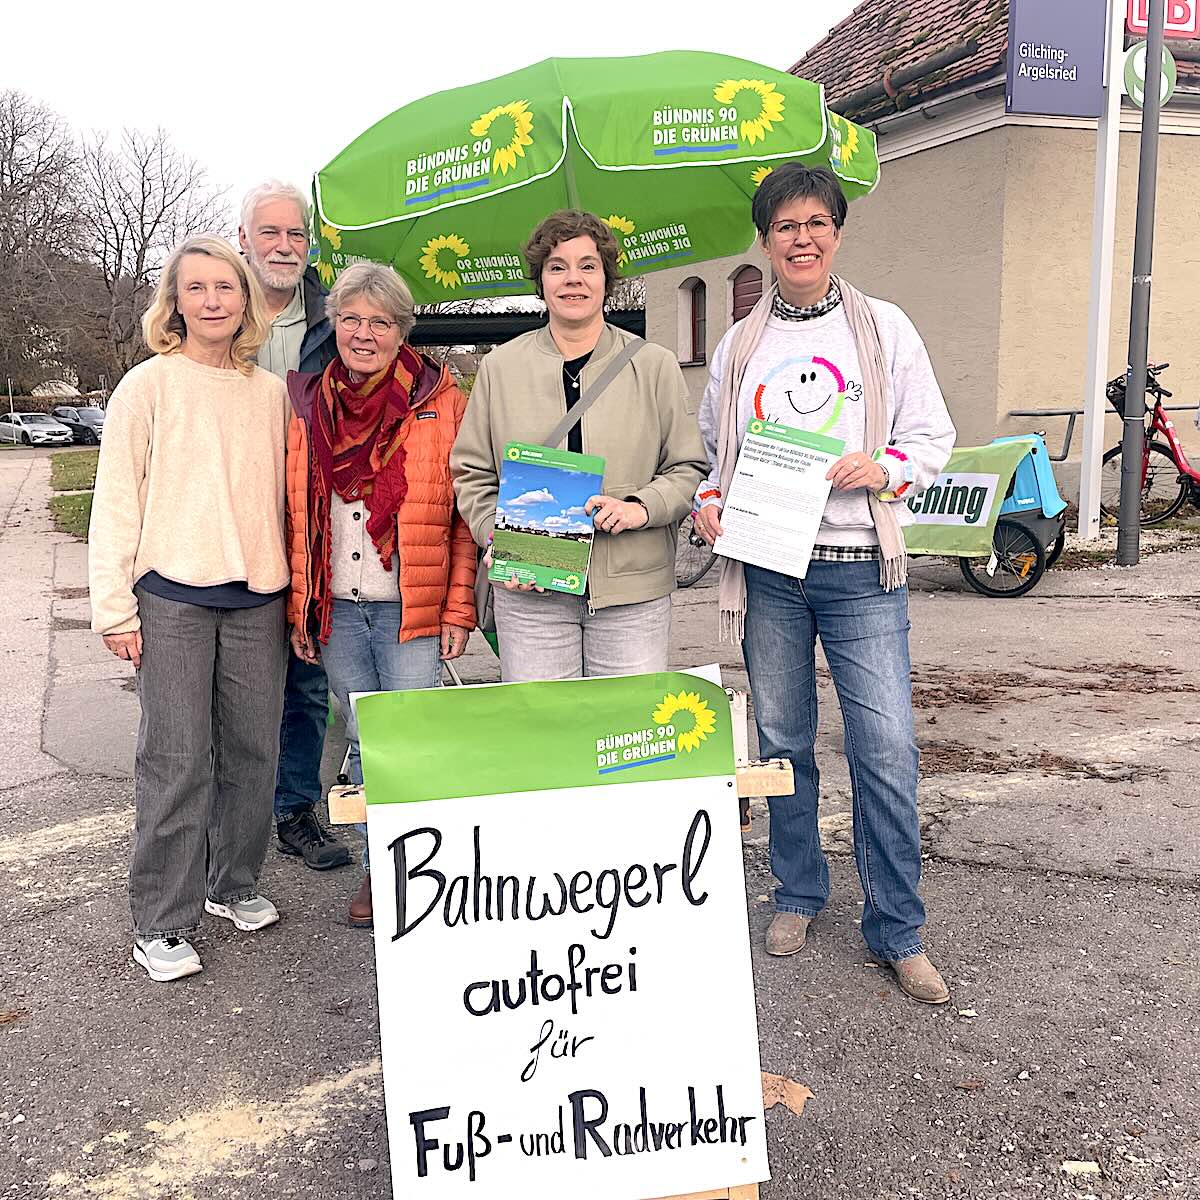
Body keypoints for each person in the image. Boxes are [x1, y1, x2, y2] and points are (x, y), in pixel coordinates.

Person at [694, 164, 957, 1005]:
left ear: (837, 232)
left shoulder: (883, 329)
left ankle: (898, 929)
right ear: (766, 242)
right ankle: (799, 894)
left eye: (815, 223)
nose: (800, 239)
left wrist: (883, 468)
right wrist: (708, 501)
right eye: (784, 227)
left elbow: (930, 434)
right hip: (769, 570)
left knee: (885, 751)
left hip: (860, 571)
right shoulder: (741, 344)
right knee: (782, 744)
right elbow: (715, 455)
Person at [89, 236, 289, 982]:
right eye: (196, 288)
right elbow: (116, 500)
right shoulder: (148, 386)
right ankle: (161, 921)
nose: (213, 300)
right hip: (171, 597)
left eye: (226, 288)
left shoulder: (269, 395)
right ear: (174, 303)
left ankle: (231, 883)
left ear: (245, 300)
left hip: (256, 598)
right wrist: (114, 609)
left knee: (252, 754)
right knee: (174, 760)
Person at [286, 262, 475, 928]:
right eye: (352, 319)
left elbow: (460, 516)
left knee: (409, 738)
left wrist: (458, 607)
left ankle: (410, 871)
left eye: (381, 321)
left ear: (402, 330)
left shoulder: (441, 400)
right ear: (334, 323)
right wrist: (302, 604)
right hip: (338, 604)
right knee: (366, 735)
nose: (364, 333)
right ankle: (381, 869)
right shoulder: (307, 403)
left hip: (409, 603)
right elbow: (295, 512)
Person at [451, 210, 706, 682]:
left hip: (631, 588)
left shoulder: (655, 365)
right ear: (541, 280)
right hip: (530, 590)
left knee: (624, 738)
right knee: (546, 738)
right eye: (557, 266)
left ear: (607, 278)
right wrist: (496, 535)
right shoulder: (500, 368)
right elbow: (472, 472)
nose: (573, 279)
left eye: (588, 265)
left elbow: (688, 466)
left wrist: (640, 507)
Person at [238, 181, 347, 872]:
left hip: (313, 517)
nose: (284, 246)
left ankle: (295, 810)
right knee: (240, 680)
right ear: (243, 236)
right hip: (236, 517)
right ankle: (234, 815)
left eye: (296, 235)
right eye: (270, 232)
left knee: (307, 676)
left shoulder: (334, 317)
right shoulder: (216, 309)